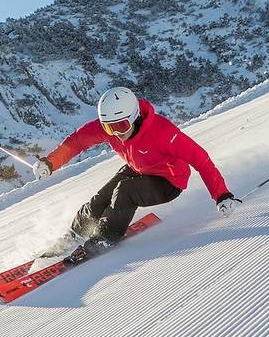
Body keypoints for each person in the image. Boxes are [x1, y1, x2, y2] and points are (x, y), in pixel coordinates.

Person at [33, 87, 238, 254]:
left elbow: (200, 159)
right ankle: (76, 232)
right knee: (102, 198)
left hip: (169, 181)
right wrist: (50, 163)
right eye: (108, 128)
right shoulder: (112, 129)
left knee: (124, 191)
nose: (116, 133)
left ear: (134, 117)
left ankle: (106, 237)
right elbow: (77, 141)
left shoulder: (163, 132)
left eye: (121, 126)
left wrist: (222, 195)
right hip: (139, 169)